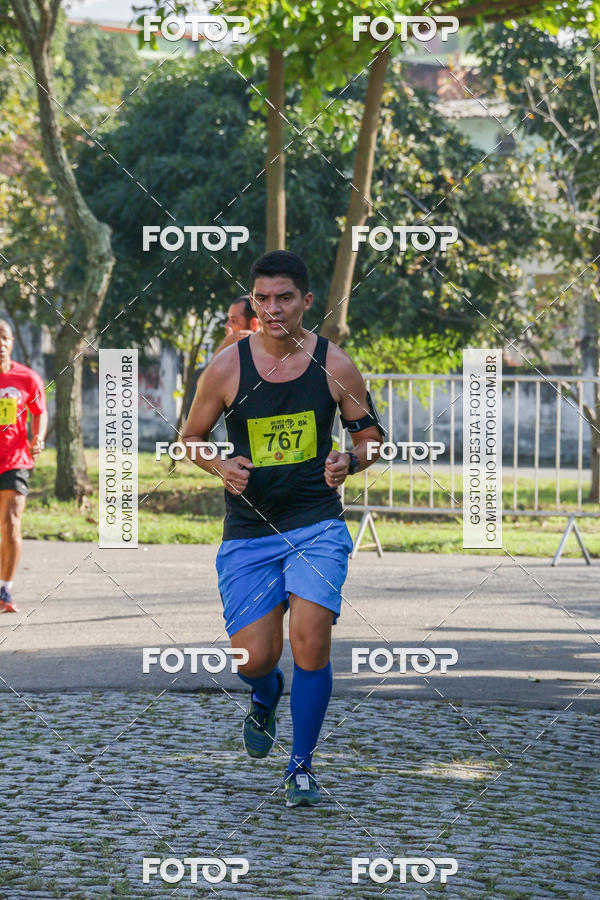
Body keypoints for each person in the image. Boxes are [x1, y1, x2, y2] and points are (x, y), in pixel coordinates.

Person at [182, 250, 383, 807]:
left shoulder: (334, 364)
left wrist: (352, 461)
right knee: (255, 660)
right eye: (262, 299)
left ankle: (301, 766)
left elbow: (370, 437)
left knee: (311, 643)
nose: (273, 309)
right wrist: (219, 464)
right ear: (252, 302)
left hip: (316, 523)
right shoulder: (227, 367)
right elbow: (191, 438)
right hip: (249, 532)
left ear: (306, 302)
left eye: (285, 298)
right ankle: (265, 694)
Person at [0, 320, 47, 614]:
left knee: (11, 522)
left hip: (15, 459)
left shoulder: (27, 378)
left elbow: (39, 411)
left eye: (3, 337)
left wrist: (37, 438)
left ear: (12, 341)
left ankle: (5, 589)